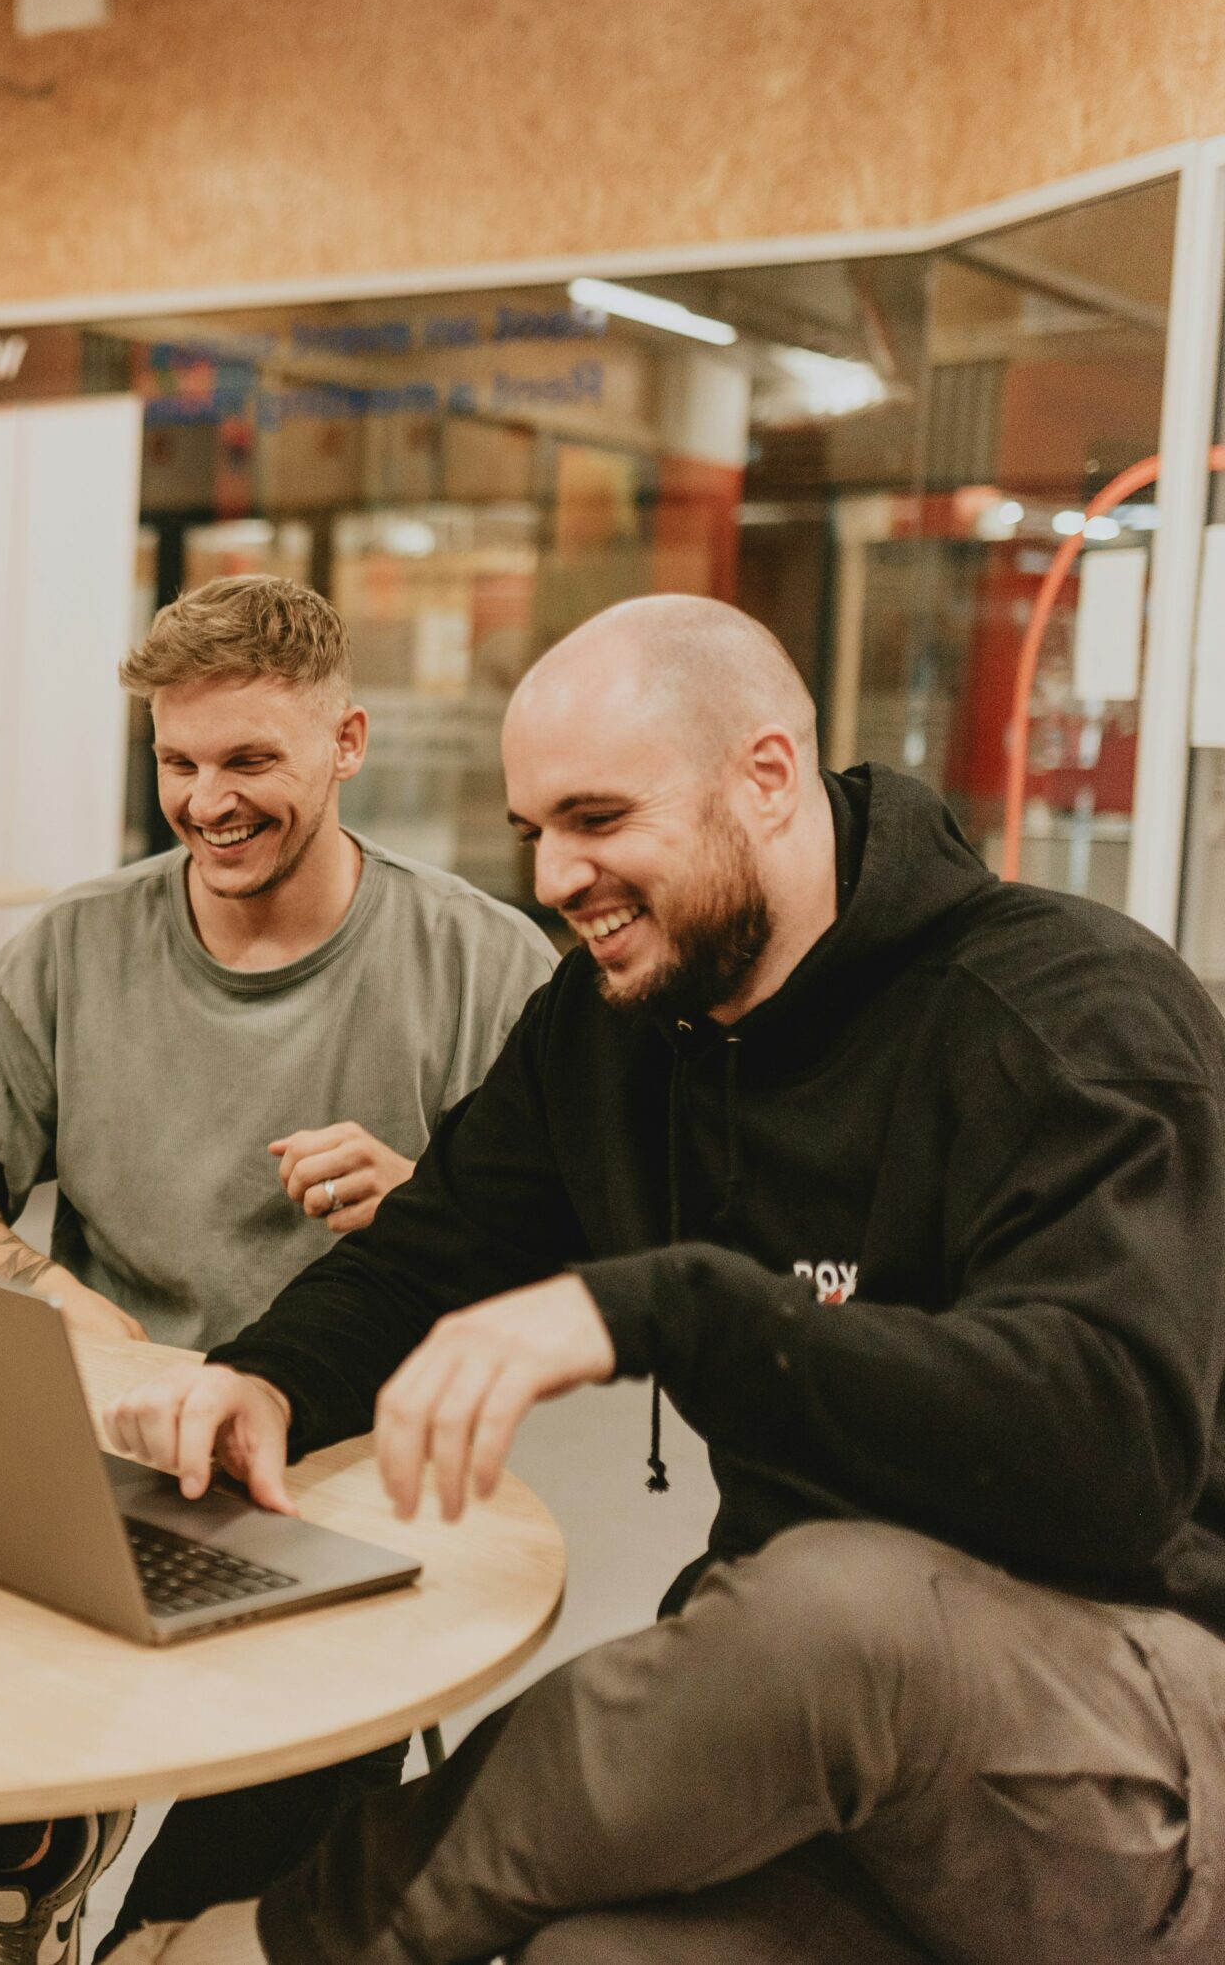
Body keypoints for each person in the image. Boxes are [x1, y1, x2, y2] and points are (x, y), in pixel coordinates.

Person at [103, 593, 1225, 1965]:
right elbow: (426, 1252)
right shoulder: (616, 1021)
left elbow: (1113, 1451)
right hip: (816, 1740)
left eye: (599, 818)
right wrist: (266, 1379)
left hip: (1140, 1736)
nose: (557, 878)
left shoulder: (1067, 1012)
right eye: (536, 834)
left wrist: (675, 1304)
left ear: (764, 777)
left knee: (832, 1607)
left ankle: (271, 1945)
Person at [0, 575, 555, 1964]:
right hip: (102, 1448)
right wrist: (49, 1296)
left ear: (346, 743)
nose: (209, 799)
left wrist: (444, 1208)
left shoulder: (485, 964)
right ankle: (35, 1849)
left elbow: (605, 1234)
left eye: (251, 759)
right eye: (179, 763)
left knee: (264, 1817)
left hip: (346, 1484)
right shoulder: (81, 943)